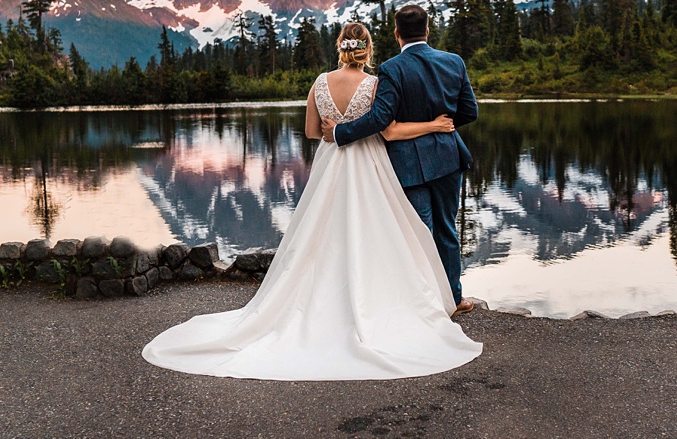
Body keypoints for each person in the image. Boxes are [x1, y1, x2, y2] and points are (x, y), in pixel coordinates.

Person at [142, 22, 482, 380]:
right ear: (367, 48)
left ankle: (322, 301)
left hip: (330, 163)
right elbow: (386, 127)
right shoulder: (374, 84)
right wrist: (430, 125)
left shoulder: (320, 83)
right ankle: (398, 298)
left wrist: (333, 128)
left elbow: (309, 132)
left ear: (341, 47)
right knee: (384, 231)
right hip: (369, 164)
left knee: (323, 230)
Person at [323, 5, 478, 316]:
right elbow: (469, 111)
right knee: (447, 229)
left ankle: (425, 302)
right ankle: (454, 298)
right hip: (448, 155)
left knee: (418, 231)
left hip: (408, 164)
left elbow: (381, 118)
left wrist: (340, 133)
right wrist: (440, 124)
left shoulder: (393, 68)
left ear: (396, 34)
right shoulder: (454, 62)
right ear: (428, 30)